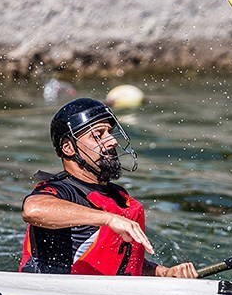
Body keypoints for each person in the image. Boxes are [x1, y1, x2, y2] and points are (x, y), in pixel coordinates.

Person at [18, 97, 199, 278]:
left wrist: (164, 272)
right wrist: (108, 219)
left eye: (110, 132)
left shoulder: (117, 196)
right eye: (98, 135)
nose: (112, 141)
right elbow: (33, 210)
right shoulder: (61, 190)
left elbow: (120, 263)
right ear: (68, 148)